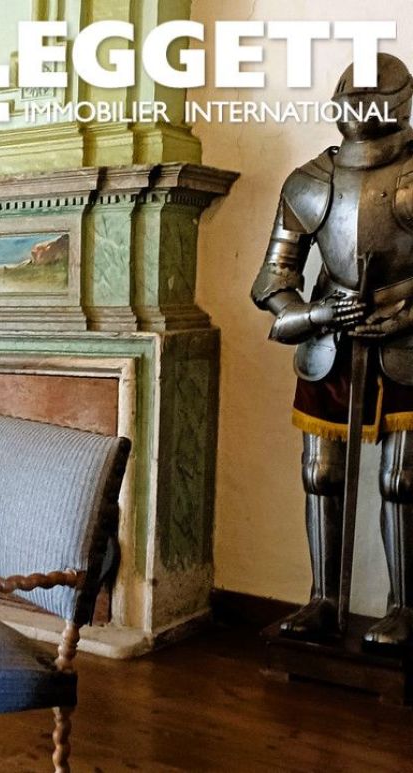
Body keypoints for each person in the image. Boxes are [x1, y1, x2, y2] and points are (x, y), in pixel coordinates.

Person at [251, 54, 413, 653]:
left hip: (405, 340)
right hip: (331, 338)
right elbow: (273, 279)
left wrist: (405, 315)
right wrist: (317, 314)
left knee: (403, 479)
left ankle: (405, 608)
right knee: (320, 474)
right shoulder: (310, 180)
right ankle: (323, 598)